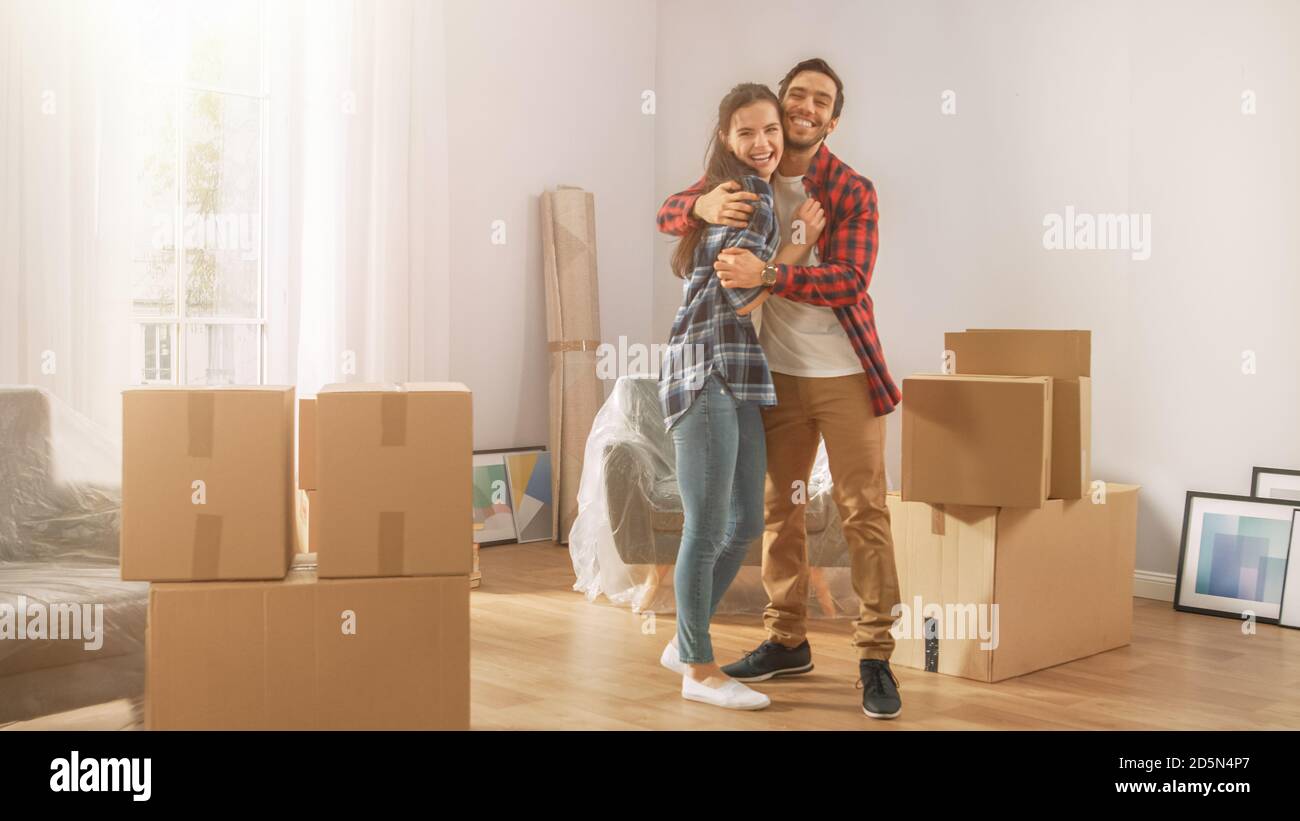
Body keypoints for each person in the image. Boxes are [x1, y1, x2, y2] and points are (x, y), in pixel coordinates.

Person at [657, 58, 904, 720]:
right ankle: (785, 639)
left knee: (863, 514)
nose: (801, 110)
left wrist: (771, 268)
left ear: (833, 118)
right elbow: (670, 211)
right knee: (775, 514)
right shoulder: (745, 178)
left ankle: (875, 655)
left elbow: (850, 279)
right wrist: (700, 203)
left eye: (818, 101)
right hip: (768, 375)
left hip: (845, 374)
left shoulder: (849, 189)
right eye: (795, 95)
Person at [657, 82, 825, 711]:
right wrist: (799, 243)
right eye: (747, 132)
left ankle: (684, 639)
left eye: (772, 131)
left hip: (739, 372)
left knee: (745, 522)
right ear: (726, 138)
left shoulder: (727, 195)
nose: (763, 144)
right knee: (706, 527)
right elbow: (744, 293)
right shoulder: (746, 196)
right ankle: (698, 670)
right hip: (703, 369)